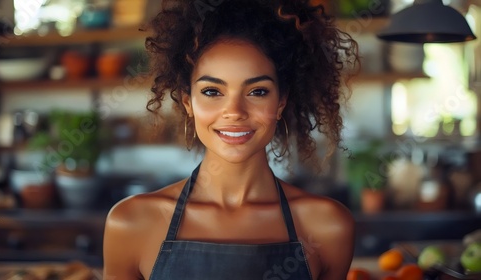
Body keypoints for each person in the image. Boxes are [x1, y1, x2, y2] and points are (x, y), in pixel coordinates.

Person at [103, 0, 359, 279]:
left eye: (257, 91)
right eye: (212, 92)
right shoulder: (129, 223)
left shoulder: (329, 226)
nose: (235, 112)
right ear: (188, 102)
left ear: (281, 101)